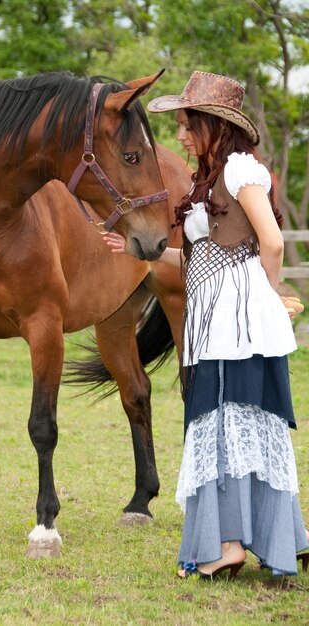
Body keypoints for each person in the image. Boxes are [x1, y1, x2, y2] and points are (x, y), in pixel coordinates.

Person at [104, 71, 309, 578]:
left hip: (238, 321)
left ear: (213, 124)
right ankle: (234, 544)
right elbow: (202, 260)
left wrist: (266, 296)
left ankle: (235, 545)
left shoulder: (241, 169)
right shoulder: (209, 179)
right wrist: (142, 254)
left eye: (186, 124)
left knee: (235, 422)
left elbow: (273, 242)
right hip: (213, 317)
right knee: (218, 425)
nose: (179, 135)